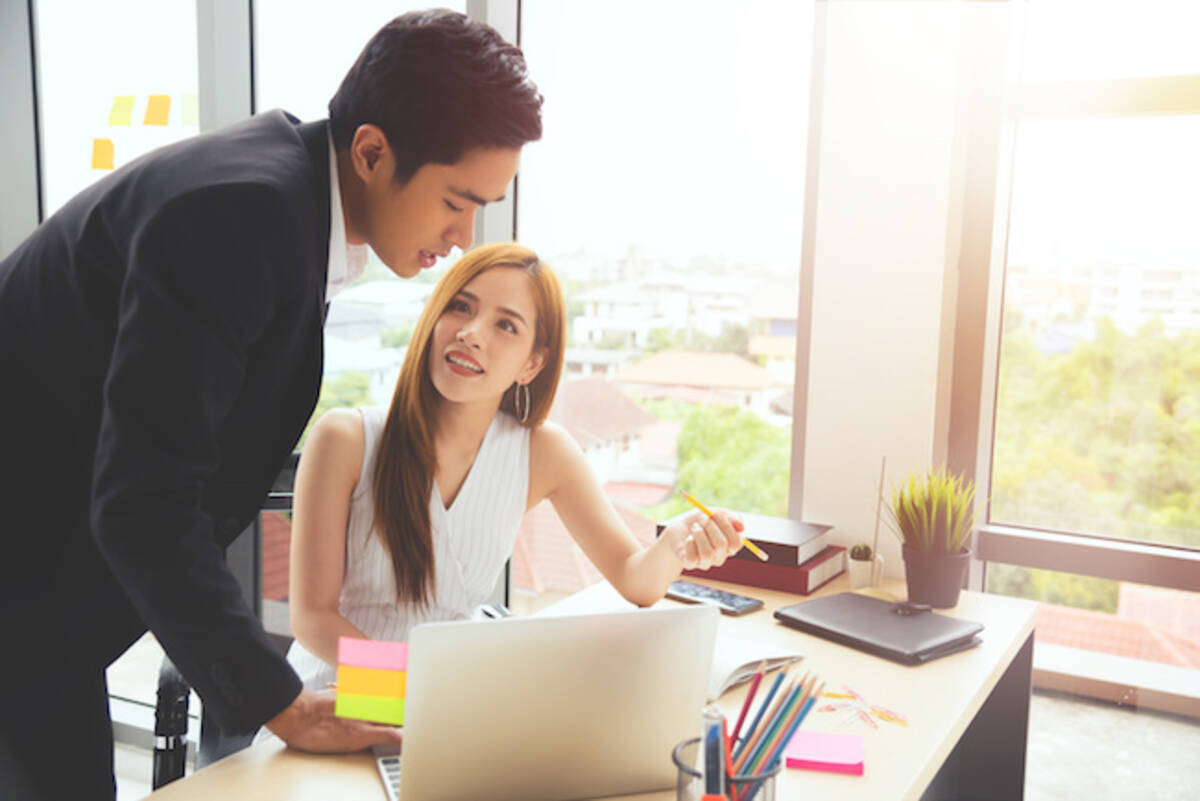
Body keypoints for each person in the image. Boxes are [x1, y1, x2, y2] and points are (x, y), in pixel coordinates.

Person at [0, 10, 542, 800]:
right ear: (370, 151)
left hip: (45, 594)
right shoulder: (241, 217)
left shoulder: (292, 198)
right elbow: (145, 507)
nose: (464, 237)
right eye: (458, 201)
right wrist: (282, 703)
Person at [284, 242, 745, 688]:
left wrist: (677, 544)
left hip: (445, 697)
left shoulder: (542, 452)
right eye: (461, 307)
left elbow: (635, 580)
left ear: (532, 364)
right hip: (337, 691)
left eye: (506, 326)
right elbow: (312, 619)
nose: (471, 333)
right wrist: (406, 694)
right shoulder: (345, 438)